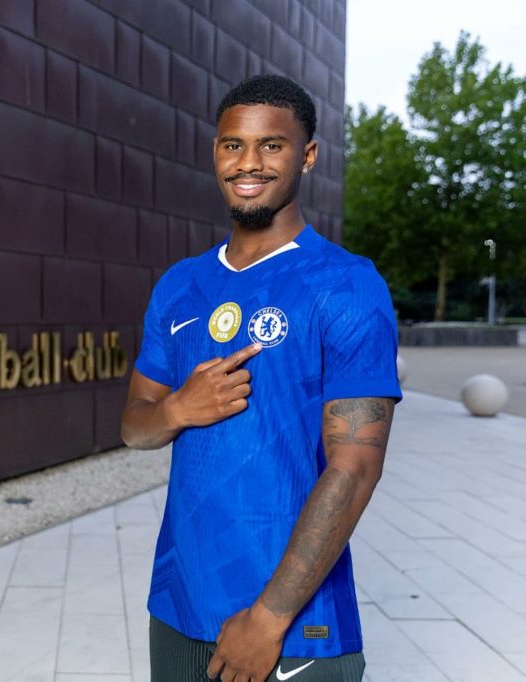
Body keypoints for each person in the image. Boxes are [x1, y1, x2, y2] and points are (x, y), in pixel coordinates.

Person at [120, 74, 402, 682]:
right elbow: (134, 427)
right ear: (215, 153)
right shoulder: (179, 285)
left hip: (295, 626)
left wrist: (268, 618)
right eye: (233, 145)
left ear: (308, 155)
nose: (248, 162)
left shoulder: (347, 285)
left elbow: (355, 469)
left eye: (272, 145)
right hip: (179, 601)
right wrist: (176, 410)